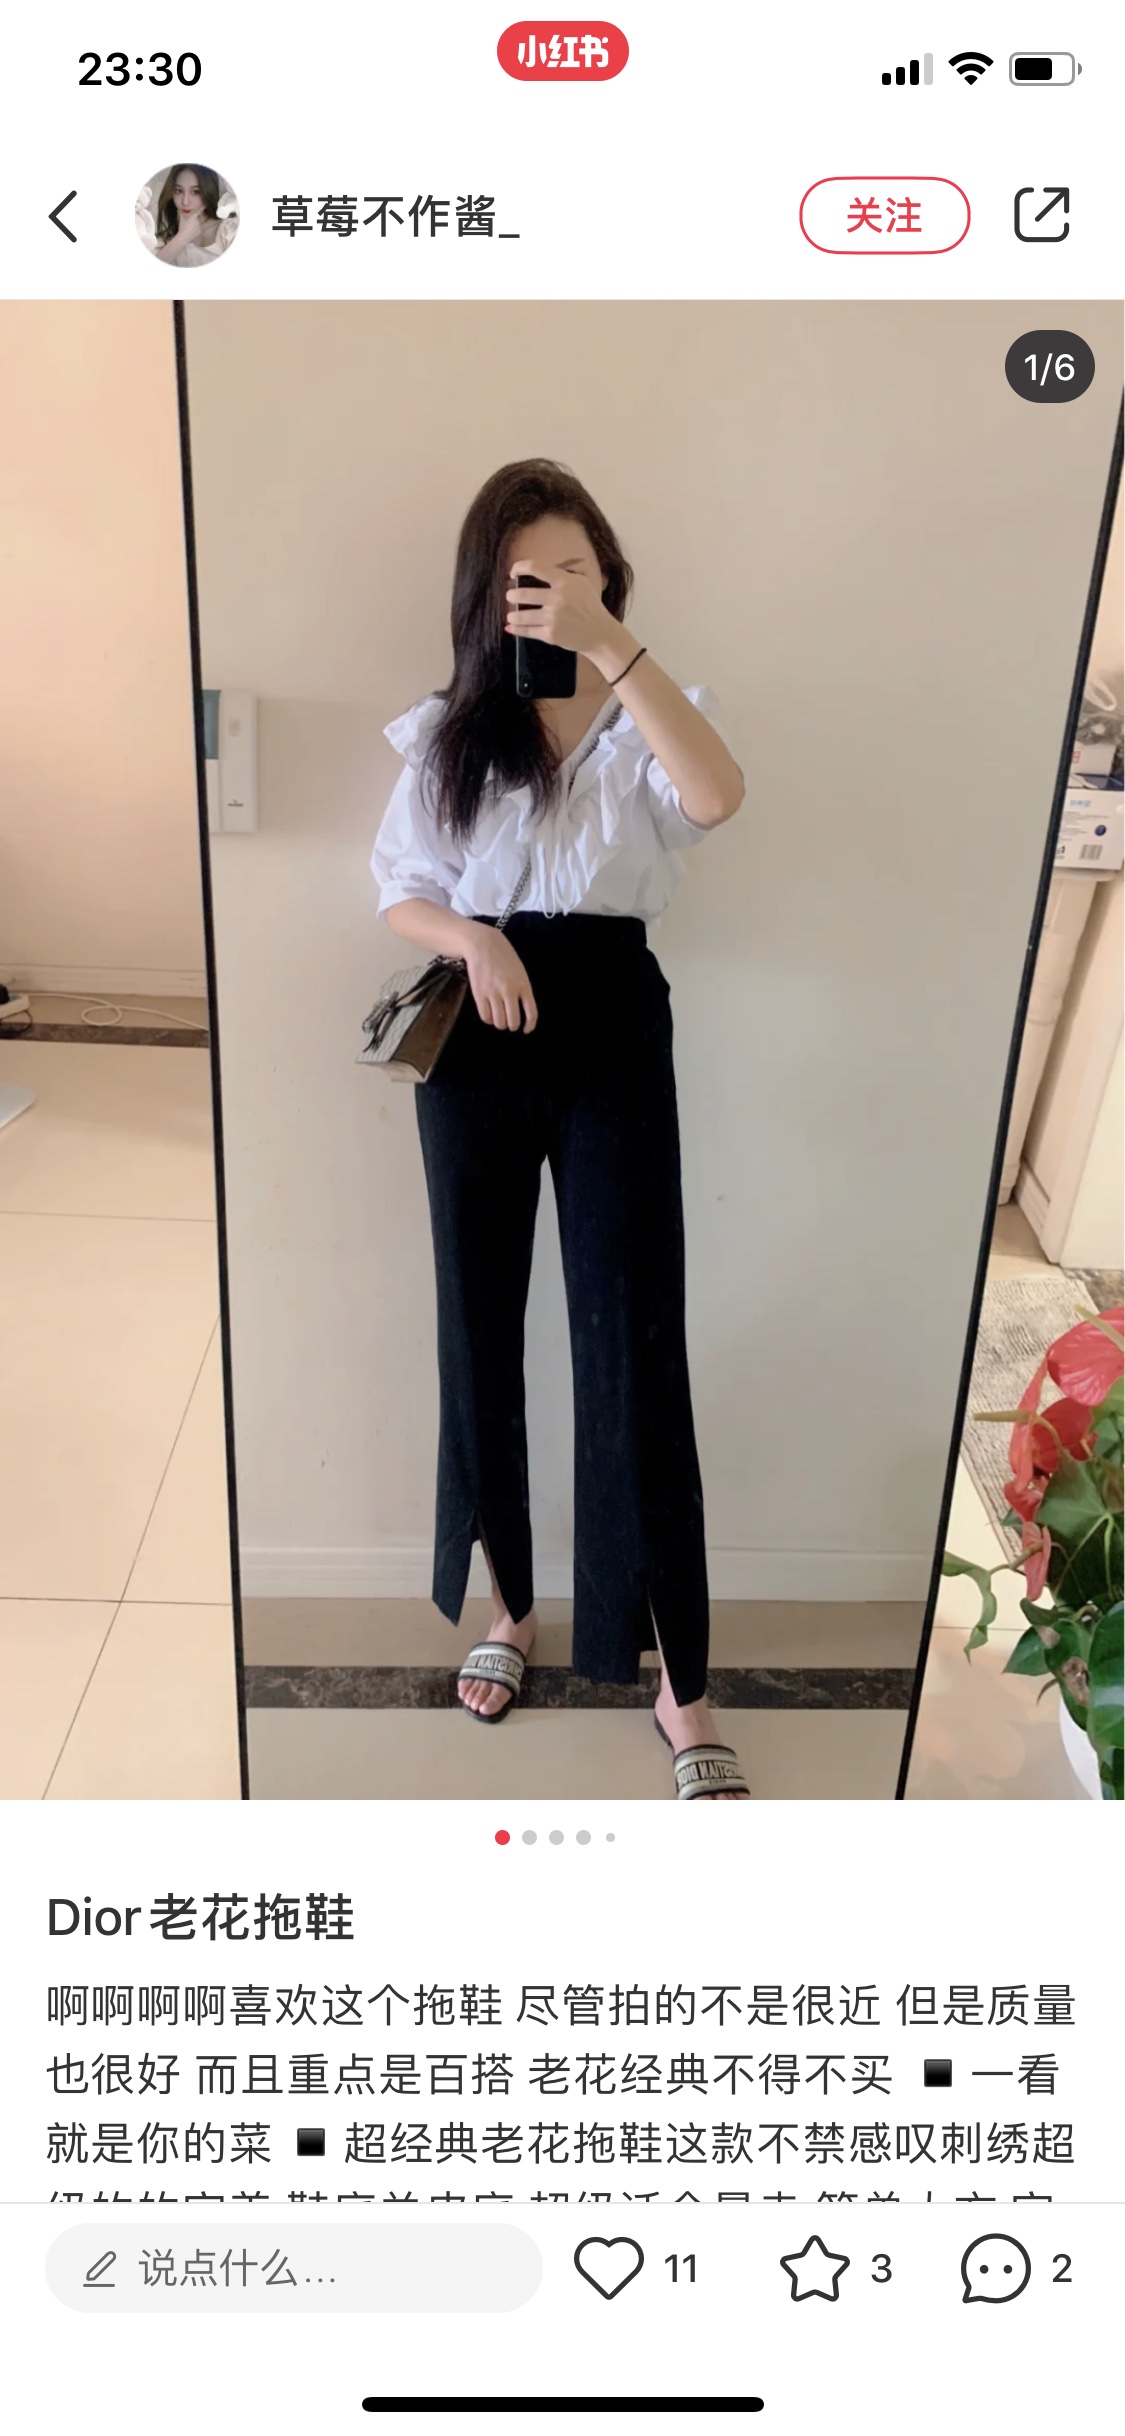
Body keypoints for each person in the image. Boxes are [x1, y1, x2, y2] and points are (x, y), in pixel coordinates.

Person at [371, 459, 749, 1798]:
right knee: (477, 1325)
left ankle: (677, 1677)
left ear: (608, 577)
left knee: (635, 1340)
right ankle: (511, 1608)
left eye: (575, 571)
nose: (552, 593)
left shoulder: (651, 716)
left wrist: (609, 647)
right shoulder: (449, 732)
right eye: (528, 577)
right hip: (474, 1031)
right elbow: (398, 889)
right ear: (486, 592)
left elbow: (717, 798)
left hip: (610, 1030)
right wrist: (471, 937)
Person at [145, 164, 236, 266]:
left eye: (195, 191)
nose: (185, 202)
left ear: (209, 191)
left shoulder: (231, 230)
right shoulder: (165, 240)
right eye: (179, 191)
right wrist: (183, 236)